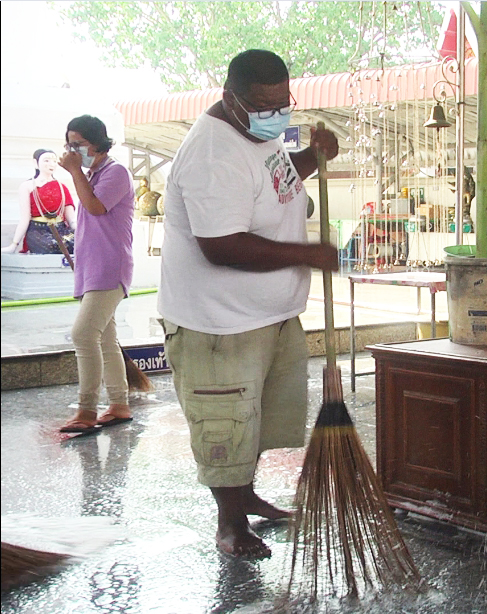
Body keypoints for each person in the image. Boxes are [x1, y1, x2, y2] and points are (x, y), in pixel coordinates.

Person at [158, 49, 339, 559]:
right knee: (226, 423)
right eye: (263, 105)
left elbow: (274, 183)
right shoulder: (212, 155)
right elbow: (223, 247)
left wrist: (313, 158)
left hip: (268, 316)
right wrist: (308, 254)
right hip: (220, 325)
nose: (275, 114)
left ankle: (247, 496)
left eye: (283, 103)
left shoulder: (257, 133)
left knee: (254, 421)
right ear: (230, 98)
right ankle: (230, 525)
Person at [57, 116, 136, 433]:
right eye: (69, 144)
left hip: (109, 266)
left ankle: (86, 410)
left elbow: (96, 207)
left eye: (78, 144)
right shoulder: (93, 173)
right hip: (93, 267)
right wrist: (79, 172)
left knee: (83, 334)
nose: (72, 151)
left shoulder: (115, 172)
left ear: (98, 143)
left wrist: (75, 171)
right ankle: (119, 404)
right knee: (104, 337)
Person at [3, 149, 77, 254]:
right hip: (38, 230)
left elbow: (71, 219)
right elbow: (25, 218)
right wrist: (14, 244)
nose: (51, 164)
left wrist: (80, 230)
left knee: (77, 242)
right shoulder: (27, 186)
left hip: (60, 229)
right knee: (53, 246)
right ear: (35, 163)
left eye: (54, 161)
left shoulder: (62, 187)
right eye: (46, 160)